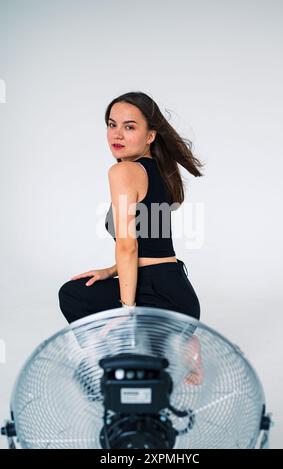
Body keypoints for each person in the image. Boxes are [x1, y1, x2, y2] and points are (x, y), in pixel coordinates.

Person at [58, 91, 206, 384]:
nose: (117, 134)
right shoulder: (160, 170)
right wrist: (110, 271)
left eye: (129, 127)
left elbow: (128, 245)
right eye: (112, 125)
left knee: (73, 295)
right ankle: (180, 344)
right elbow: (155, 242)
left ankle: (111, 359)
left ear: (150, 135)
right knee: (86, 287)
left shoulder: (123, 171)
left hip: (159, 295)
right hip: (178, 294)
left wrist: (127, 312)